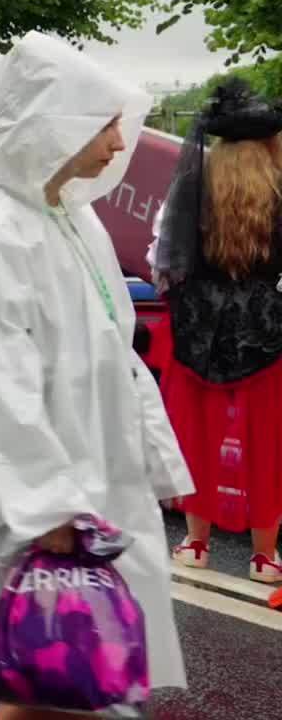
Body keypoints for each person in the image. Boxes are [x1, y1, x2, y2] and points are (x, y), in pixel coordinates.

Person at [0, 32, 192, 716]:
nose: (118, 144)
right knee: (57, 675)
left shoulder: (73, 219)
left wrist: (157, 463)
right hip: (42, 496)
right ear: (49, 120)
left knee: (70, 678)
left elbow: (115, 354)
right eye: (103, 124)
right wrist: (47, 505)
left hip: (92, 481)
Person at [152, 80, 282, 583]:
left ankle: (194, 543)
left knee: (198, 431)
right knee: (267, 434)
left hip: (199, 321)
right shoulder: (278, 187)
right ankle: (265, 556)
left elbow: (165, 258)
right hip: (266, 322)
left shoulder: (194, 184)